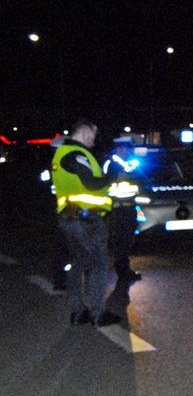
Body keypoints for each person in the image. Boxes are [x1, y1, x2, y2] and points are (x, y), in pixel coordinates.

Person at [51, 118, 122, 326]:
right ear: (83, 134)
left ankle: (77, 312)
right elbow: (91, 183)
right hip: (87, 219)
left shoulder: (62, 154)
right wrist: (112, 174)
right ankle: (98, 313)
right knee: (99, 264)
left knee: (79, 263)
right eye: (92, 136)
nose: (93, 141)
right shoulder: (76, 154)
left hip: (70, 217)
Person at [105, 137, 142, 282]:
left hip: (129, 206)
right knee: (121, 240)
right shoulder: (112, 164)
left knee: (128, 241)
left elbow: (140, 181)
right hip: (118, 208)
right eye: (126, 148)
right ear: (119, 149)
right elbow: (108, 183)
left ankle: (125, 269)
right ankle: (122, 270)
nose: (129, 151)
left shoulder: (130, 164)